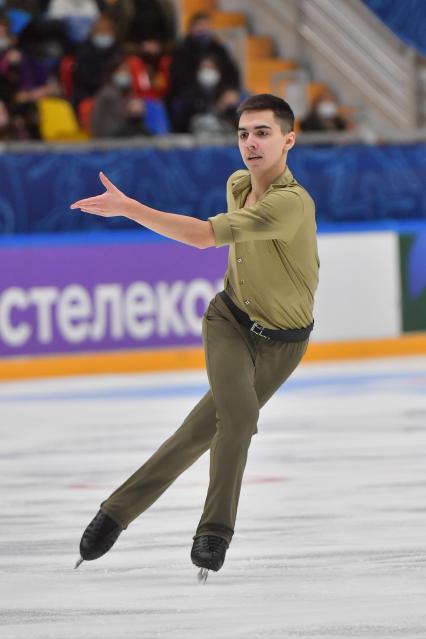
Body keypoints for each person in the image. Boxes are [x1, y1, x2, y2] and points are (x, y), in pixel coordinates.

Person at [70, 93, 319, 580]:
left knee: (197, 432)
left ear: (289, 139)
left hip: (285, 344)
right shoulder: (237, 183)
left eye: (263, 133)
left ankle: (116, 512)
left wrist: (129, 209)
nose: (250, 143)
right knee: (240, 418)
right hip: (228, 322)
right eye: (243, 133)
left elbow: (205, 236)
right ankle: (215, 532)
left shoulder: (292, 204)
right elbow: (220, 241)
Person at [90, 56, 151, 138]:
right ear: (112, 73)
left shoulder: (129, 93)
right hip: (111, 138)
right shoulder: (106, 93)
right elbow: (97, 121)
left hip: (126, 136)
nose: (124, 74)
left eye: (127, 71)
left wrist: (137, 112)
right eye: (121, 71)